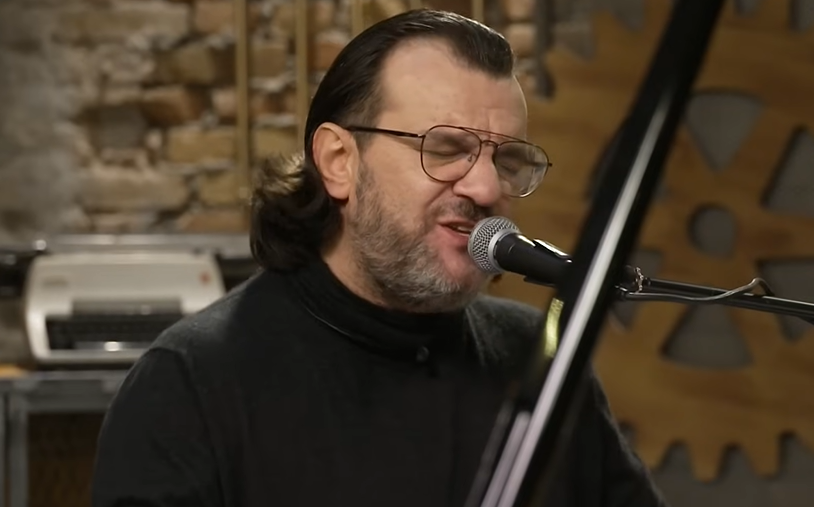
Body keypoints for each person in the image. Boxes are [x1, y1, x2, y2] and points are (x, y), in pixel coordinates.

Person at [91, 9, 668, 507]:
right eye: (447, 148)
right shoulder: (191, 383)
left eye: (508, 161)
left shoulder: (537, 357)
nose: (487, 188)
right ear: (339, 161)